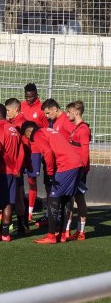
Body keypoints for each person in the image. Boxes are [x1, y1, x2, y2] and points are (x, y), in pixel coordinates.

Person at [21, 121, 82, 244]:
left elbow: (48, 152)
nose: (29, 139)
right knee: (66, 197)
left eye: (26, 136)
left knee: (53, 197)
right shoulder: (47, 130)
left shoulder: (37, 134)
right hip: (76, 163)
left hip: (65, 165)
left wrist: (49, 173)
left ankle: (51, 235)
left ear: (28, 130)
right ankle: (63, 234)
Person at [0, 104, 23, 242]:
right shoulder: (14, 129)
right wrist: (17, 168)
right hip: (13, 172)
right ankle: (5, 233)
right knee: (9, 202)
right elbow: (21, 151)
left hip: (0, 171)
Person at [21, 83, 48, 223]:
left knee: (32, 179)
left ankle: (30, 212)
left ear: (36, 94)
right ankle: (16, 208)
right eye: (26, 96)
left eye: (31, 96)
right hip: (22, 147)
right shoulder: (22, 106)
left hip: (35, 149)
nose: (28, 99)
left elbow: (45, 130)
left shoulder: (42, 109)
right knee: (17, 178)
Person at [5, 97, 31, 235]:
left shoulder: (20, 123)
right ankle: (22, 224)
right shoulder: (15, 122)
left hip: (16, 165)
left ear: (16, 109)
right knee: (19, 194)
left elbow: (22, 147)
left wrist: (19, 167)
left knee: (18, 195)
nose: (7, 112)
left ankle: (22, 225)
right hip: (17, 165)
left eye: (8, 110)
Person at [65, 101, 90, 241]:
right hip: (71, 169)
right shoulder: (76, 128)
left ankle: (81, 231)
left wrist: (82, 169)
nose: (67, 114)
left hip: (78, 171)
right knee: (69, 199)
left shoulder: (83, 129)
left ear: (76, 112)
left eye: (69, 112)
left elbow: (85, 152)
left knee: (79, 199)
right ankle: (67, 230)